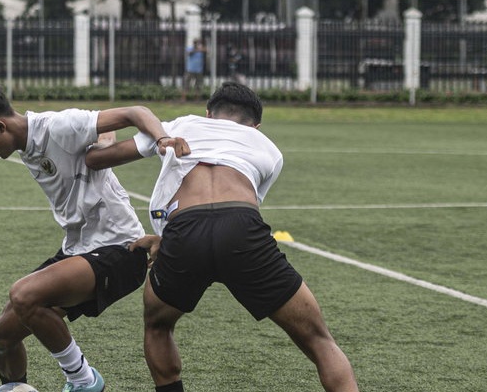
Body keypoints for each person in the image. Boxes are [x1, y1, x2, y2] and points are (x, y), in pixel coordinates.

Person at [85, 82, 358, 392]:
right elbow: (240, 207)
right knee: (319, 340)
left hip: (184, 230)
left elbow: (96, 160)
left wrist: (103, 138)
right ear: (256, 125)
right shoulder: (268, 147)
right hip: (240, 227)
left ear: (208, 114)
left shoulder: (181, 125)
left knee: (158, 325)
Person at [0, 70, 171, 392]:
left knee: (24, 294)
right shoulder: (27, 141)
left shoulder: (58, 126)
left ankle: (84, 381)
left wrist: (163, 139)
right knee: (2, 335)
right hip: (78, 249)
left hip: (121, 249)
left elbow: (135, 113)